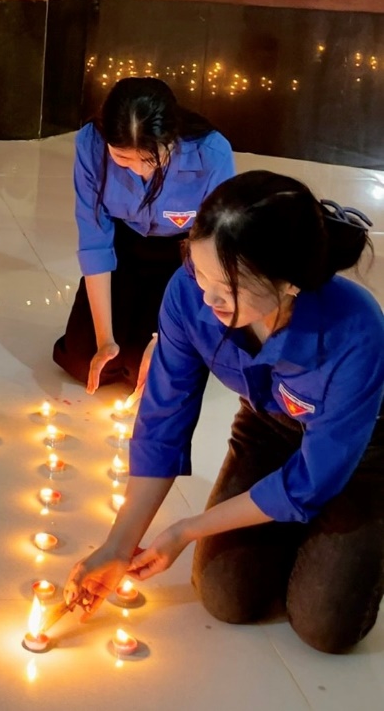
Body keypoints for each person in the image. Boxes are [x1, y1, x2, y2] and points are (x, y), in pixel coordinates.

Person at [65, 171, 384, 654]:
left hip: (361, 452)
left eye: (228, 288)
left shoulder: (353, 328)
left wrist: (186, 529)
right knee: (226, 597)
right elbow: (163, 422)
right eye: (200, 273)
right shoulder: (188, 292)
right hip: (270, 428)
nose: (207, 299)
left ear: (289, 282)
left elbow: (313, 480)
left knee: (326, 628)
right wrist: (118, 544)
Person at [53, 77, 234, 393]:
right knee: (87, 361)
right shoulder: (90, 145)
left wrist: (164, 338)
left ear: (172, 137)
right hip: (123, 249)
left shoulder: (212, 154)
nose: (138, 170)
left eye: (150, 159)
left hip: (183, 261)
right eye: (123, 158)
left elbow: (214, 250)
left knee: (148, 370)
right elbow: (95, 239)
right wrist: (105, 338)